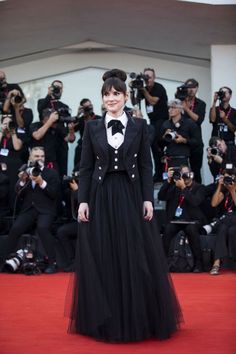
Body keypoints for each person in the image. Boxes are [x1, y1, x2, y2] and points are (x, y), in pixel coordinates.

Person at [67, 69, 182, 342]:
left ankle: (139, 315)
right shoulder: (92, 127)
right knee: (104, 253)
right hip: (101, 195)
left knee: (134, 254)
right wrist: (83, 201)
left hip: (130, 196)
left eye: (116, 94)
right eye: (106, 95)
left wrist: (147, 198)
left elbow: (146, 166)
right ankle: (106, 318)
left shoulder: (140, 126)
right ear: (102, 97)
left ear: (125, 96)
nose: (111, 99)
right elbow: (84, 168)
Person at [4, 147, 60, 274]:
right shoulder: (26, 171)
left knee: (43, 228)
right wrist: (23, 180)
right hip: (29, 209)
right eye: (36, 156)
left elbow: (54, 194)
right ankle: (4, 261)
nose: (39, 159)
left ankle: (53, 263)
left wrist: (41, 182)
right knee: (15, 228)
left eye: (42, 156)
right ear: (30, 157)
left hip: (46, 209)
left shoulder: (52, 173)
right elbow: (18, 192)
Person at [158, 165, 206, 272]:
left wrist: (184, 188)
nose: (184, 177)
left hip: (193, 221)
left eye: (186, 174)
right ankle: (163, 262)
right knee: (168, 229)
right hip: (177, 220)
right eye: (182, 174)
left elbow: (195, 201)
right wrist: (169, 181)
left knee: (191, 229)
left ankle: (199, 263)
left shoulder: (199, 188)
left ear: (191, 175)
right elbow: (161, 196)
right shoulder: (175, 187)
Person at [37, 80, 75, 176]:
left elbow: (67, 123)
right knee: (46, 172)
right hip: (47, 142)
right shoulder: (43, 101)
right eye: (56, 87)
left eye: (60, 88)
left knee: (62, 173)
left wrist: (70, 129)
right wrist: (48, 95)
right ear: (51, 88)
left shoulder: (64, 106)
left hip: (61, 142)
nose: (58, 90)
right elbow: (40, 111)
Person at [138, 68, 169, 182]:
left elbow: (152, 101)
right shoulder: (144, 88)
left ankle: (162, 174)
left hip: (162, 121)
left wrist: (143, 90)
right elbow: (134, 101)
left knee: (158, 147)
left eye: (149, 77)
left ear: (154, 77)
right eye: (145, 77)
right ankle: (158, 173)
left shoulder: (158, 87)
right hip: (153, 122)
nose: (147, 79)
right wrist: (134, 90)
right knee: (153, 148)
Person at [209, 166, 236, 275]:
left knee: (226, 226)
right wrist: (220, 186)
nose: (227, 180)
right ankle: (216, 263)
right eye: (225, 178)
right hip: (228, 221)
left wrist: (233, 190)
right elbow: (214, 203)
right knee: (225, 229)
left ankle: (217, 263)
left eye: (229, 177)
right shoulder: (225, 191)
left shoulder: (232, 189)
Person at [160, 99, 199, 169]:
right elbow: (160, 145)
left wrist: (184, 140)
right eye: (169, 107)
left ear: (180, 109)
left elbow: (197, 142)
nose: (170, 110)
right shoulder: (165, 124)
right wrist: (164, 137)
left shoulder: (189, 123)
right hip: (169, 159)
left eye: (173, 107)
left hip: (184, 159)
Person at [182, 78, 206, 183]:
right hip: (182, 141)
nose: (191, 90)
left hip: (196, 141)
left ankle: (198, 196)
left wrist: (186, 109)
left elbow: (198, 120)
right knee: (183, 171)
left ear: (197, 88)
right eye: (188, 87)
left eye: (193, 87)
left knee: (196, 171)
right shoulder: (180, 102)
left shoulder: (201, 103)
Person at [73, 98, 101, 168]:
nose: (90, 108)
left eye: (90, 105)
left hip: (95, 147)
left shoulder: (99, 119)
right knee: (78, 167)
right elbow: (72, 129)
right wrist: (77, 115)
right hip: (82, 147)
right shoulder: (80, 120)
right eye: (87, 107)